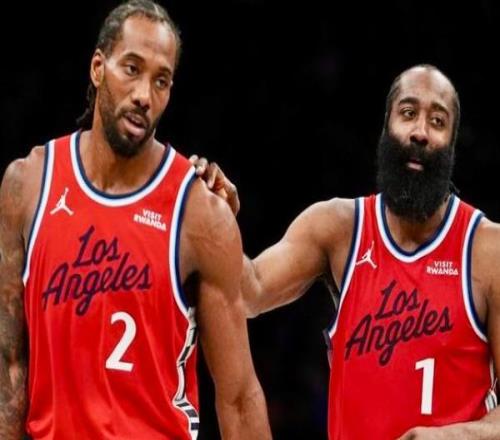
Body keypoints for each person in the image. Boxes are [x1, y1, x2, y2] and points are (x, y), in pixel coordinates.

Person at [0, 1, 272, 439]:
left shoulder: (200, 212)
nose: (145, 95)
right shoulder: (27, 185)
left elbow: (239, 397)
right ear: (97, 68)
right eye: (132, 68)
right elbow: (10, 363)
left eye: (161, 80)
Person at [194, 64, 500, 439]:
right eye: (408, 113)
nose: (420, 131)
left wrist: (447, 436)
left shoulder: (488, 249)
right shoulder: (338, 228)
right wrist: (215, 219)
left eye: (437, 121)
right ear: (386, 127)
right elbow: (248, 292)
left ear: (452, 144)